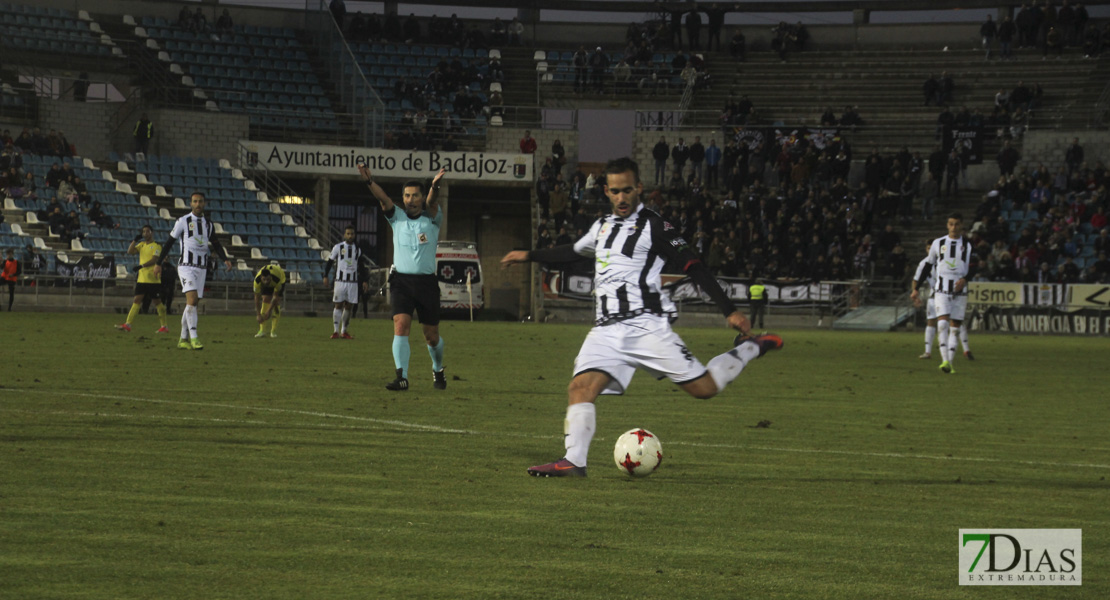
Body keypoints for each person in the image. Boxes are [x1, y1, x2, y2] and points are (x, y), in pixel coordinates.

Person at [500, 157, 783, 477]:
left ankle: (749, 347)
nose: (622, 197)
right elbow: (571, 252)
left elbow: (694, 265)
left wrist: (729, 310)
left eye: (628, 190)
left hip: (646, 325)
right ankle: (574, 460)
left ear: (639, 188)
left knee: (705, 388)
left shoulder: (656, 226)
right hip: (606, 329)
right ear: (606, 191)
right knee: (579, 388)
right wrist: (529, 255)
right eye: (616, 191)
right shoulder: (602, 227)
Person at [359, 163, 448, 391]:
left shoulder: (432, 218)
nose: (411, 199)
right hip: (401, 282)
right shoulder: (396, 217)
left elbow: (432, 202)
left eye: (415, 195)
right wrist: (370, 181)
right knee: (401, 325)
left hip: (427, 284)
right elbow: (384, 199)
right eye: (407, 195)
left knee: (432, 337)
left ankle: (438, 369)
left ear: (421, 197)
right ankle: (402, 377)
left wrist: (435, 186)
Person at [153, 192, 233, 350]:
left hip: (201, 268)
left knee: (193, 304)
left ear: (204, 203)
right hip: (186, 266)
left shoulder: (209, 224)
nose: (198, 204)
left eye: (200, 201)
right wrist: (158, 263)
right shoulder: (183, 221)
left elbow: (216, 244)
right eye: (195, 201)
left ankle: (183, 339)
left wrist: (225, 258)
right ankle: (194, 338)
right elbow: (169, 243)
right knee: (192, 300)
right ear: (191, 204)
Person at [911, 213, 975, 374]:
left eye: (957, 224)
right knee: (942, 324)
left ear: (962, 226)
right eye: (951, 224)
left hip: (960, 292)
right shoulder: (938, 243)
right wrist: (916, 288)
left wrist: (965, 279)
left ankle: (950, 363)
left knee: (955, 328)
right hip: (941, 290)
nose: (954, 227)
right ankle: (945, 360)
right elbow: (927, 266)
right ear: (947, 225)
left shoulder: (968, 245)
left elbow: (974, 266)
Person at [116, 225, 169, 333]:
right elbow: (130, 251)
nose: (145, 233)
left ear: (152, 232)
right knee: (136, 300)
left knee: (158, 302)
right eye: (144, 232)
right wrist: (134, 240)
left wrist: (141, 266)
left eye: (147, 231)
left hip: (153, 279)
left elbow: (155, 260)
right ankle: (128, 324)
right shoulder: (141, 245)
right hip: (142, 279)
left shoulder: (156, 246)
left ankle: (164, 326)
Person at [324, 225, 367, 339]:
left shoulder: (358, 249)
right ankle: (335, 331)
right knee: (338, 305)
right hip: (340, 281)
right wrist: (325, 275)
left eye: (352, 233)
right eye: (348, 233)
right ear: (344, 235)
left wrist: (365, 280)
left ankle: (344, 331)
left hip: (353, 282)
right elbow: (329, 262)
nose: (350, 236)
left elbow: (361, 266)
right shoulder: (338, 247)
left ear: (354, 235)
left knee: (349, 306)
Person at [912, 242, 938, 359]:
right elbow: (916, 280)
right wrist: (915, 294)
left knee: (954, 322)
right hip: (934, 295)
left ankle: (964, 348)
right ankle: (928, 352)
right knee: (931, 321)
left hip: (948, 294)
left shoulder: (943, 260)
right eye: (928, 248)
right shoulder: (923, 263)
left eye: (932, 248)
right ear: (926, 249)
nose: (930, 250)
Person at [252, 264, 286, 338]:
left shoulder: (277, 280)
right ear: (261, 278)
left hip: (281, 277)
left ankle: (273, 331)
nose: (266, 281)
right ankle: (262, 331)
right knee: (265, 299)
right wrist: (258, 315)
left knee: (276, 303)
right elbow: (257, 298)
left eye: (268, 279)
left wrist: (269, 311)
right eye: (264, 279)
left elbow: (275, 297)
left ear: (270, 277)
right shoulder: (257, 281)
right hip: (270, 281)